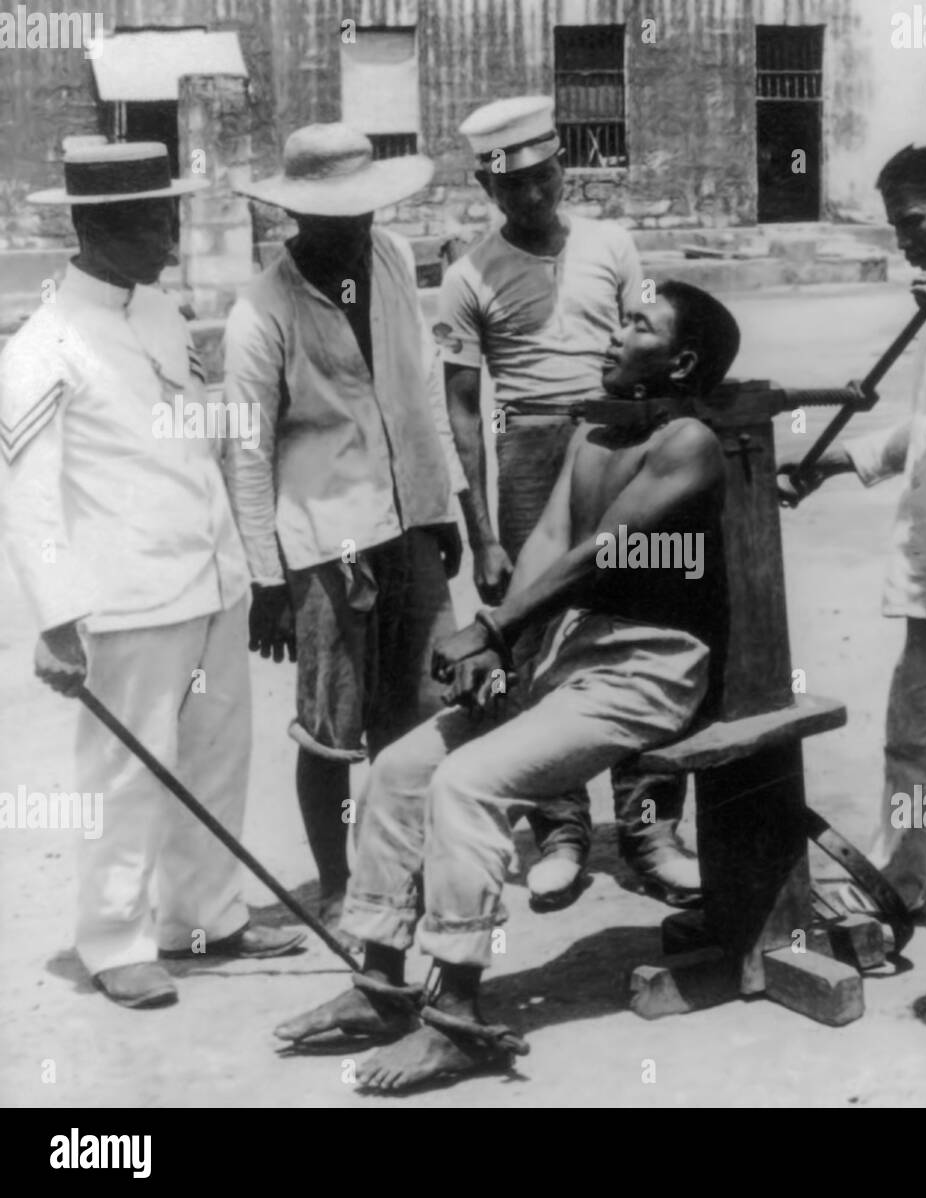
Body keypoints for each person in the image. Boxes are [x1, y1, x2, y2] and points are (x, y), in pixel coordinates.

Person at [273, 282, 740, 1093]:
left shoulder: (689, 442)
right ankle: (382, 986)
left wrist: (489, 631)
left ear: (682, 360)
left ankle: (456, 1018)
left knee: (469, 783)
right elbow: (549, 540)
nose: (616, 331)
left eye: (639, 326)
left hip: (649, 671)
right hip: (568, 659)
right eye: (620, 315)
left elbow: (599, 553)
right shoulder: (595, 431)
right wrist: (507, 648)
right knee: (399, 769)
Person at [0, 139, 303, 1009]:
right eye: (150, 220)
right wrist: (57, 623)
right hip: (127, 602)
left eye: (170, 215)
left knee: (215, 757)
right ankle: (114, 938)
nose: (170, 237)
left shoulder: (160, 316)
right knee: (127, 776)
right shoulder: (42, 348)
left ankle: (203, 917)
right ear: (96, 227)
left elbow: (196, 434)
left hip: (208, 580)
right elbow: (30, 501)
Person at [438, 95, 699, 909]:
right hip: (528, 455)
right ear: (489, 189)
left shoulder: (612, 243)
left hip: (616, 445)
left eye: (544, 177)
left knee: (638, 619)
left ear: (560, 167)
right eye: (512, 187)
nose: (532, 196)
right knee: (534, 636)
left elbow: (648, 353)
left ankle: (651, 825)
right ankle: (558, 827)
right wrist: (482, 533)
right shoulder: (468, 274)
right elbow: (459, 410)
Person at [224, 124, 467, 934]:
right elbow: (249, 455)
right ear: (298, 215)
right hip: (326, 542)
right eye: (335, 216)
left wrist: (448, 503)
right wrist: (268, 581)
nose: (354, 229)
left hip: (410, 524)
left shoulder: (394, 259)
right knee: (331, 730)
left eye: (364, 212)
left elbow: (424, 387)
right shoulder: (262, 311)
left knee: (427, 711)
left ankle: (408, 873)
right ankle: (336, 884)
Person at [776, 142, 926, 917]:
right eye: (892, 228)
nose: (903, 241)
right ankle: (895, 884)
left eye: (914, 221)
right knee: (915, 739)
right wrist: (838, 461)